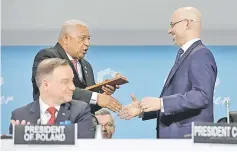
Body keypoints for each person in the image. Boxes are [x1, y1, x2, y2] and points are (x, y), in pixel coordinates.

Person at [119, 7, 217, 138]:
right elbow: (177, 105)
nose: (169, 30)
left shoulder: (200, 54)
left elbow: (201, 95)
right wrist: (143, 110)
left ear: (187, 23)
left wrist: (161, 103)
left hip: (187, 139)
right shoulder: (185, 55)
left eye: (172, 25)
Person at [31, 19, 122, 114]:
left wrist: (103, 95)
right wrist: (95, 97)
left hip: (82, 125)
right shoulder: (48, 56)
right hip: (55, 124)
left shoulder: (86, 66)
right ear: (66, 38)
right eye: (82, 38)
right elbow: (55, 88)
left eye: (88, 39)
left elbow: (88, 108)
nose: (87, 43)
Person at [9, 58, 94, 138]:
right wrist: (23, 141)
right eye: (65, 82)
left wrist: (33, 138)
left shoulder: (80, 111)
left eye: (72, 81)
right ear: (46, 85)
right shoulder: (20, 116)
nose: (73, 87)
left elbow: (84, 147)